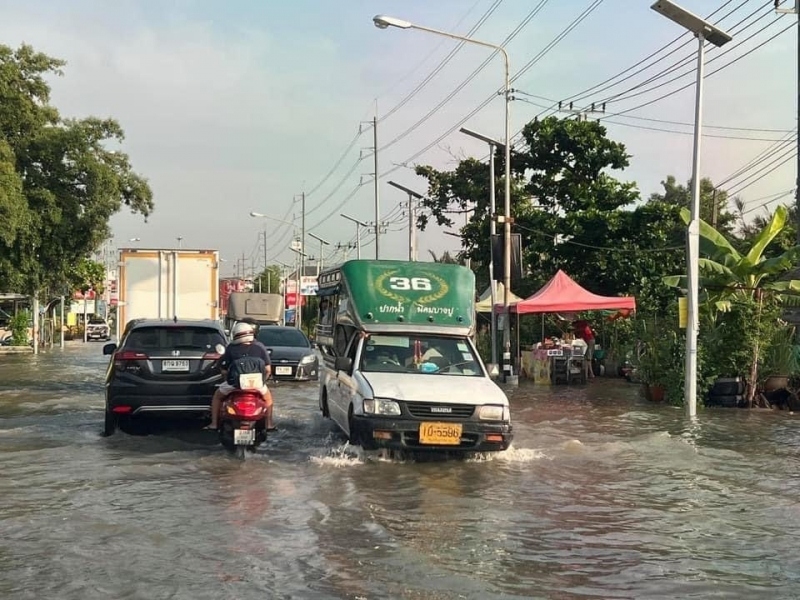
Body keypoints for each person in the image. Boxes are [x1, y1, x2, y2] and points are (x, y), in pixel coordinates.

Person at [206, 321, 275, 431]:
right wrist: (262, 381)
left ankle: (214, 423)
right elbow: (268, 370)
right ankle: (269, 424)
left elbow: (223, 370)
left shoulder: (231, 348)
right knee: (268, 399)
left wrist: (227, 379)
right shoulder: (260, 347)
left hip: (234, 385)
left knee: (217, 397)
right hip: (256, 385)